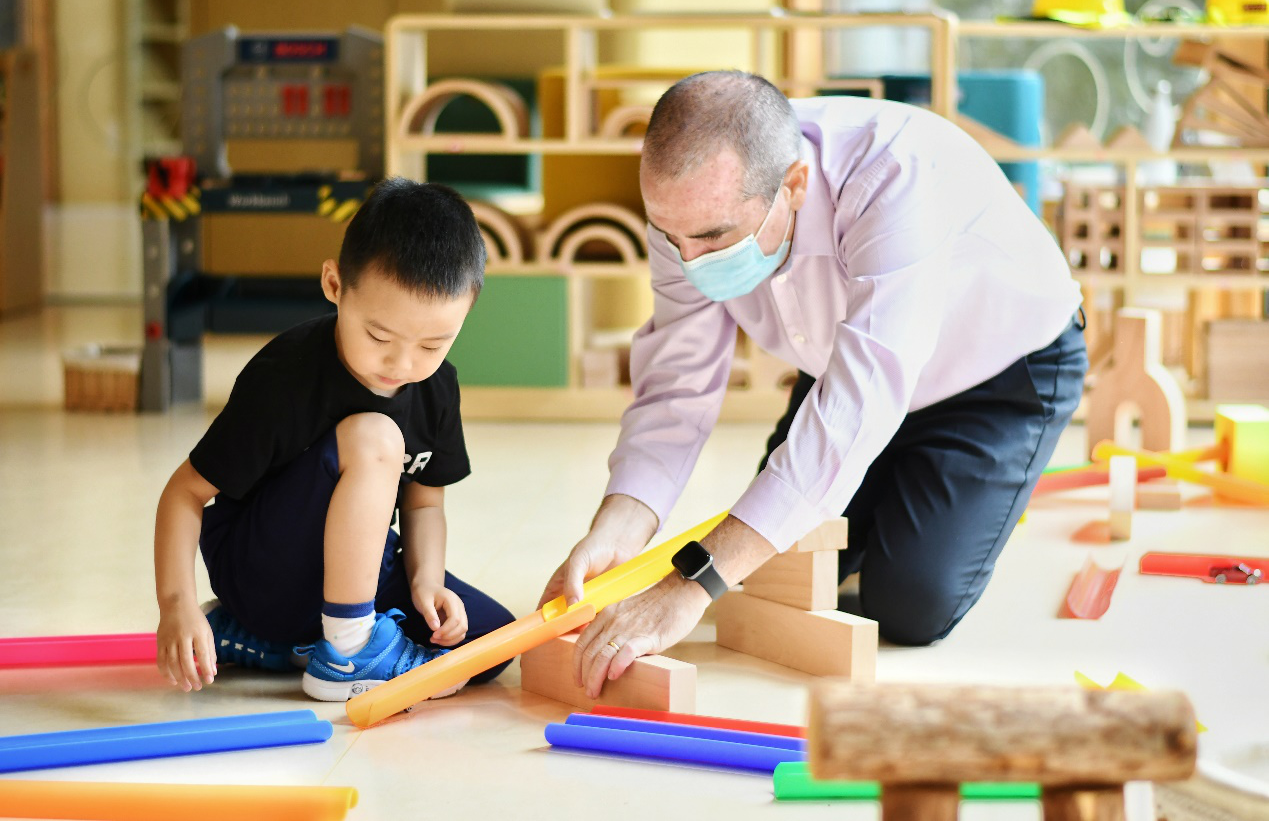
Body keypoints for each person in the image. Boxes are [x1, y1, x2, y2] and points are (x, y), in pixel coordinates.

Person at [539, 71, 1088, 698]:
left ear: (794, 185)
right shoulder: (688, 205)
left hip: (997, 377)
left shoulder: (895, 173)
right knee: (772, 562)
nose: (687, 260)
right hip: (844, 368)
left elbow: (860, 406)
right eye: (670, 237)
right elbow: (675, 390)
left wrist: (688, 586)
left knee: (909, 602)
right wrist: (616, 529)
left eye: (714, 237)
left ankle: (960, 498)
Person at [154, 177, 514, 702]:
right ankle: (346, 652)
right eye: (379, 336)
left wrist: (426, 583)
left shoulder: (436, 387)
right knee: (374, 436)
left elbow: (422, 502)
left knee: (489, 642)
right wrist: (176, 603)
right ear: (334, 284)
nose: (402, 364)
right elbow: (184, 493)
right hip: (262, 570)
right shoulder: (285, 375)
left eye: (433, 344)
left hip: (351, 569)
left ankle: (287, 645)